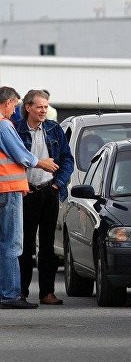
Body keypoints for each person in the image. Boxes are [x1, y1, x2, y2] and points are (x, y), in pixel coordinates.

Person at [0, 86, 58, 309]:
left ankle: (8, 292)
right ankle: (10, 294)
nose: (14, 109)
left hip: (8, 190)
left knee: (6, 243)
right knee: (12, 244)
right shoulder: (4, 125)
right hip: (10, 190)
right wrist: (40, 162)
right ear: (7, 103)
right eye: (14, 104)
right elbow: (19, 154)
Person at [15, 89, 74, 306]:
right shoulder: (16, 130)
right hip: (25, 193)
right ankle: (20, 292)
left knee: (48, 245)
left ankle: (47, 293)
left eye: (46, 107)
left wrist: (59, 183)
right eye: (39, 106)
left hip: (49, 191)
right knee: (25, 245)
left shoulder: (53, 128)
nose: (43, 111)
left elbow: (68, 159)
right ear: (28, 107)